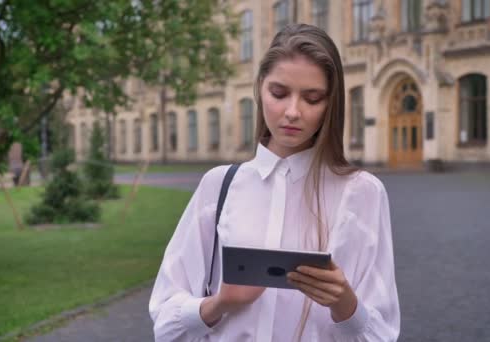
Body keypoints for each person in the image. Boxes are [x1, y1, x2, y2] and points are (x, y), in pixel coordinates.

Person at [149, 24, 400, 341]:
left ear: (331, 104)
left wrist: (345, 304)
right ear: (259, 89)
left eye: (312, 98)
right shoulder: (219, 186)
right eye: (279, 94)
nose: (292, 112)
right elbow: (166, 321)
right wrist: (218, 304)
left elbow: (382, 334)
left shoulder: (362, 193)